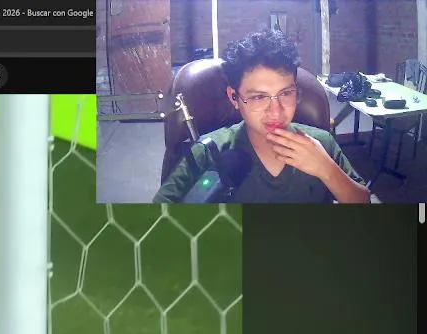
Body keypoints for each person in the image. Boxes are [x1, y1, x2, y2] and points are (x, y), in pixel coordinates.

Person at [155, 30, 370, 204]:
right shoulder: (208, 152)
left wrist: (326, 169)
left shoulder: (322, 144)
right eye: (258, 97)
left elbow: (363, 202)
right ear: (234, 98)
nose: (276, 112)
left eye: (286, 94)